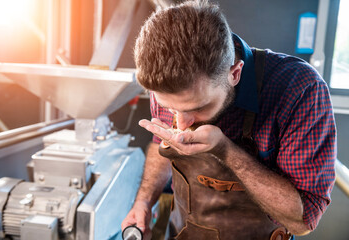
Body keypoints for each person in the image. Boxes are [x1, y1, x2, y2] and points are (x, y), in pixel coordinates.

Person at [121, 0, 336, 239]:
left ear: (235, 73)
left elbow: (303, 221)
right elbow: (161, 143)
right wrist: (143, 201)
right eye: (168, 108)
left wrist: (225, 150)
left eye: (198, 107)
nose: (181, 124)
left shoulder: (299, 89)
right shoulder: (167, 81)